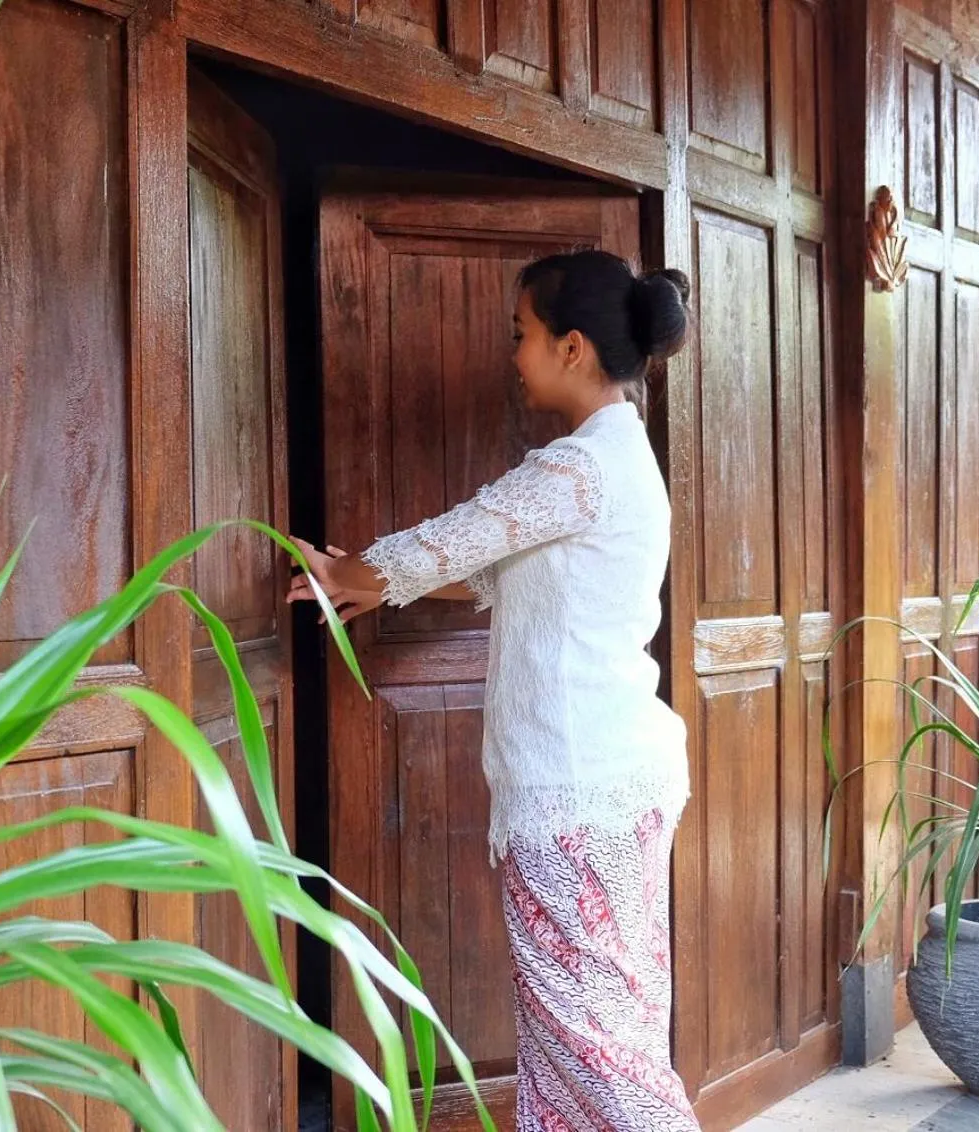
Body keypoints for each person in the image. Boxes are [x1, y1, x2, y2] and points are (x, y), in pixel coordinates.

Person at [287, 249, 701, 1131]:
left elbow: (456, 538)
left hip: (577, 797)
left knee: (597, 1051)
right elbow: (488, 559)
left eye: (522, 336)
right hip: (606, 787)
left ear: (572, 348)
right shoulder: (614, 460)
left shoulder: (578, 469)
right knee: (587, 1040)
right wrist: (363, 580)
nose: (512, 356)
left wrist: (358, 570)